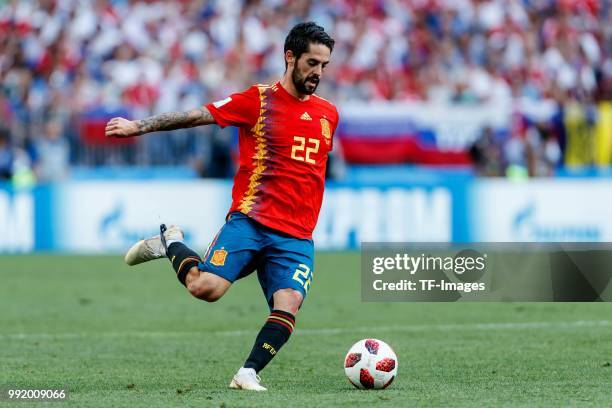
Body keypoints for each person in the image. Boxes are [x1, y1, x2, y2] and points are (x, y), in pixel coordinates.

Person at [104, 22, 337, 391]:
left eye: (324, 65)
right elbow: (197, 115)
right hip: (252, 222)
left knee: (288, 302)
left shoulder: (328, 114)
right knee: (205, 289)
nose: (318, 73)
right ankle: (170, 242)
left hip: (296, 236)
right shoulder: (257, 101)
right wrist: (139, 126)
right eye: (312, 62)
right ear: (289, 57)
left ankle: (247, 373)